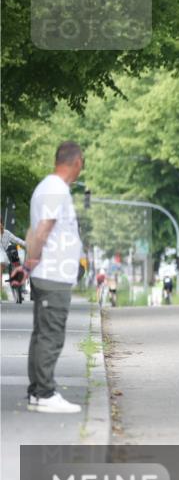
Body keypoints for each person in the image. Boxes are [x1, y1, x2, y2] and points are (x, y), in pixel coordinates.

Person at [23, 141, 85, 413]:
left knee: (41, 334)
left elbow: (31, 230)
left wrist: (28, 265)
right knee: (51, 335)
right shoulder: (56, 189)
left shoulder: (44, 189)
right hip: (53, 274)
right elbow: (43, 230)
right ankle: (45, 393)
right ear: (77, 162)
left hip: (48, 273)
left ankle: (38, 392)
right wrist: (31, 263)